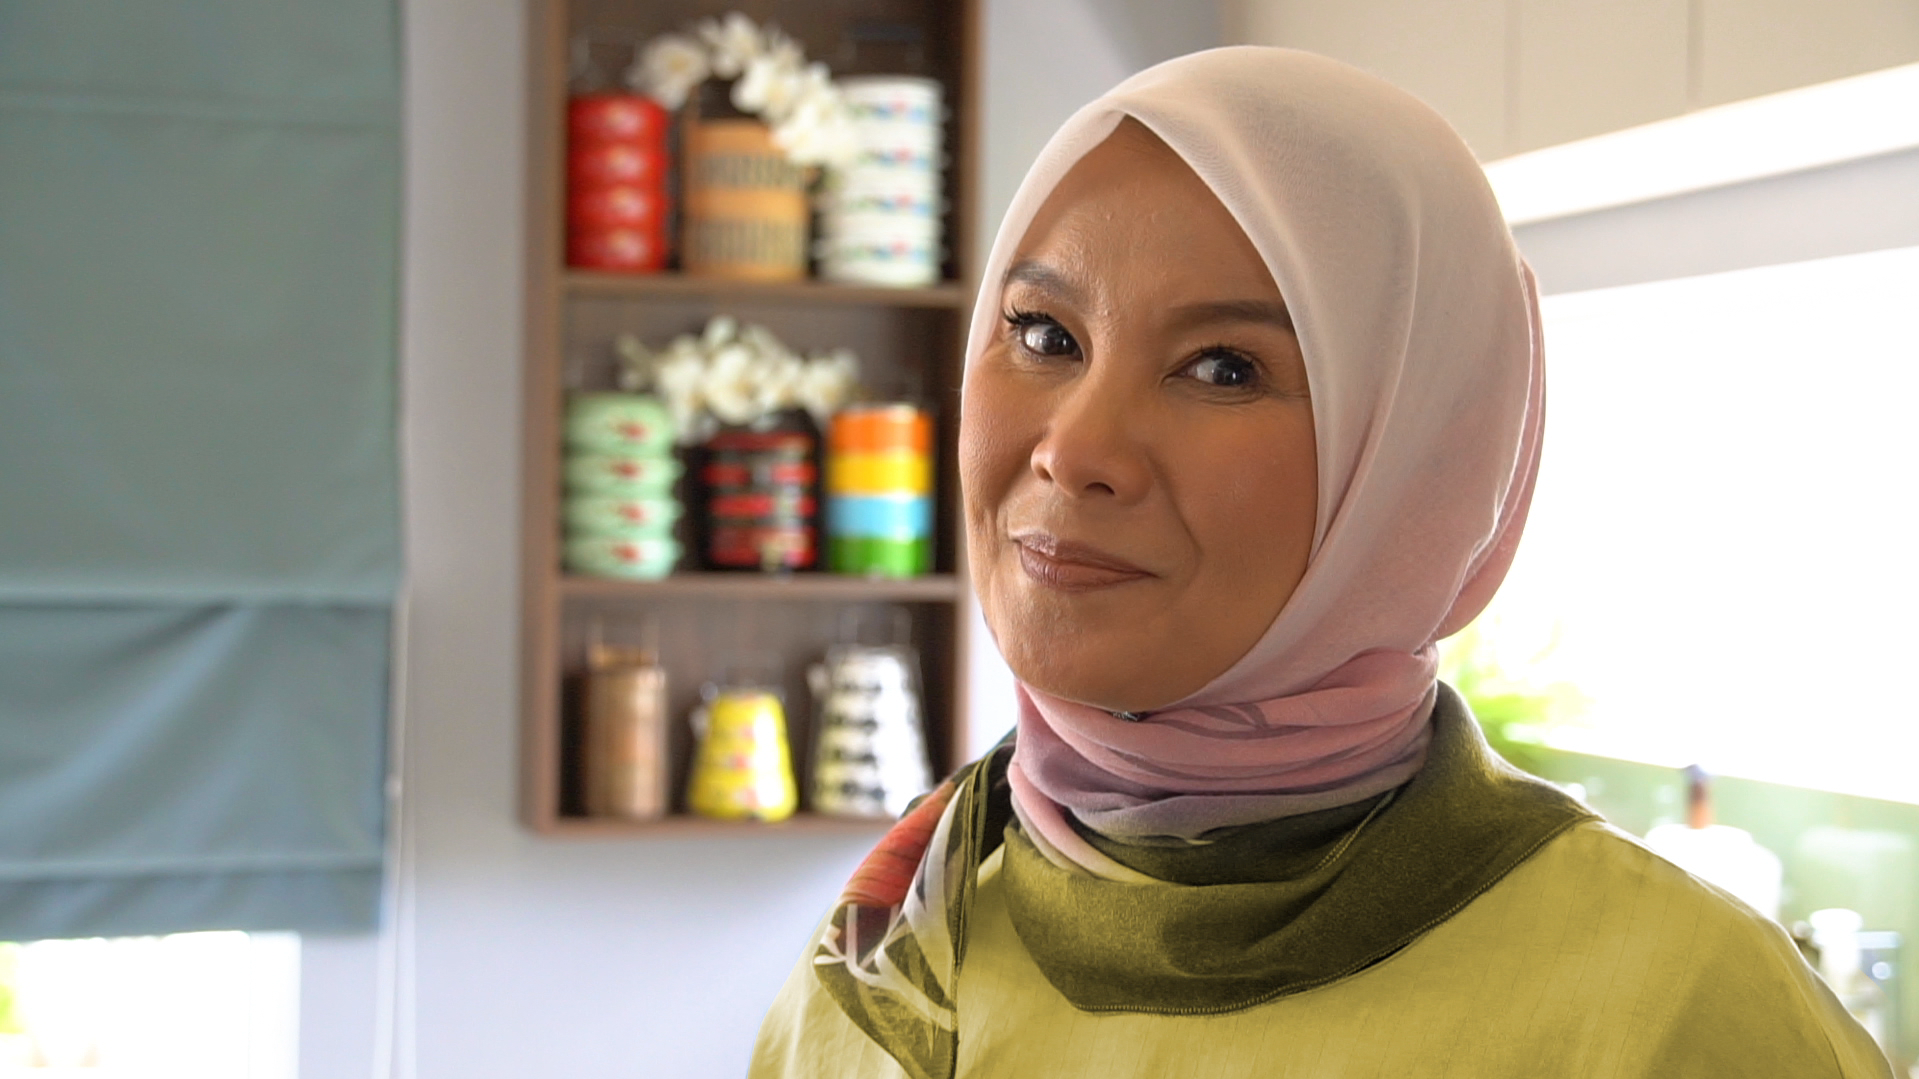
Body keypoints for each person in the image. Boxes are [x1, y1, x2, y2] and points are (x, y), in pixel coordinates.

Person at [751, 47, 1891, 1079]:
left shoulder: (1679, 1011)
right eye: (1045, 335)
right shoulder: (896, 946)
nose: (1076, 450)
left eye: (1223, 367)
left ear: (1415, 459)